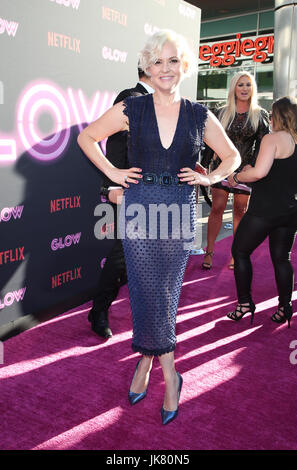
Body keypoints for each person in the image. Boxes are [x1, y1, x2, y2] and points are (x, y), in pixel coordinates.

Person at [78, 29, 240, 425]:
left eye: (172, 61)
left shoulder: (198, 114)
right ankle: (165, 372)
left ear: (183, 65)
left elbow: (232, 156)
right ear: (147, 67)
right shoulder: (133, 108)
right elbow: (87, 137)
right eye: (157, 62)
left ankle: (152, 366)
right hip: (139, 211)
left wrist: (209, 178)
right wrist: (114, 173)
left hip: (178, 212)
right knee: (145, 293)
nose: (165, 69)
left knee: (165, 296)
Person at [88, 69, 154, 338]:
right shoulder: (132, 97)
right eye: (163, 63)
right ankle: (99, 311)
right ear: (150, 69)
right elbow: (117, 142)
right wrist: (113, 185)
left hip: (153, 191)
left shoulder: (161, 103)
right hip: (131, 191)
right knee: (120, 255)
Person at [226, 96, 297, 328]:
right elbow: (274, 173)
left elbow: (260, 174)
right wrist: (253, 171)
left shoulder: (272, 138)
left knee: (240, 250)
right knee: (282, 258)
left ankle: (245, 304)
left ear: (278, 116)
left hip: (265, 210)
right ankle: (285, 306)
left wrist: (236, 177)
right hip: (290, 211)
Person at [201, 71, 270, 270]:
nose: (244, 89)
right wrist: (206, 165)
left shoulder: (259, 114)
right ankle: (209, 252)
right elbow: (210, 143)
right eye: (240, 85)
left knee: (240, 211)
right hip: (222, 167)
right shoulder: (222, 112)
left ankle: (235, 254)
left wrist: (255, 164)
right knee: (217, 208)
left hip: (245, 170)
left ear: (253, 89)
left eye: (248, 85)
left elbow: (263, 143)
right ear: (233, 88)